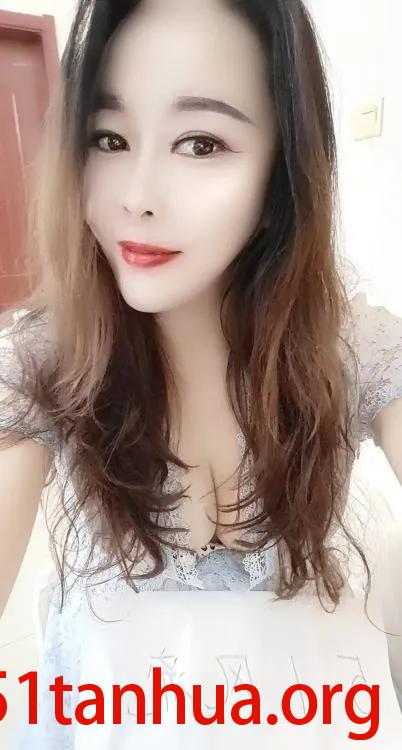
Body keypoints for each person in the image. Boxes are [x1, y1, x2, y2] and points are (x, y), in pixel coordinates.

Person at [1, 0, 402, 746]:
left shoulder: (348, 348)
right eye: (110, 138)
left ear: (283, 172)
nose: (137, 197)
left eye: (200, 143)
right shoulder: (45, 359)